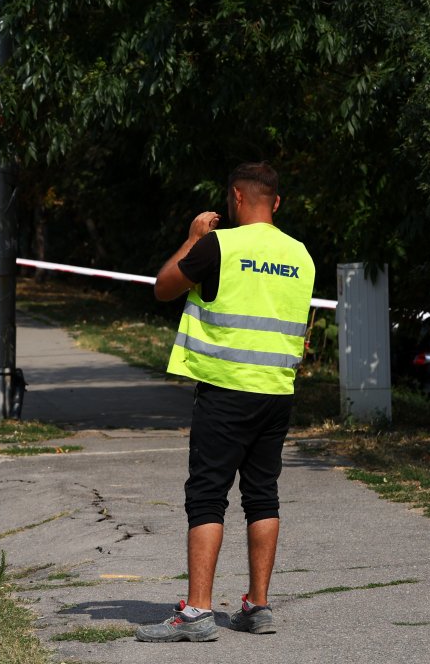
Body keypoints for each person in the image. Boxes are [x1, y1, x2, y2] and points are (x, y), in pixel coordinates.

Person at [135, 162, 316, 643]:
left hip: (224, 390)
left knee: (207, 497)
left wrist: (193, 237)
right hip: (276, 392)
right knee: (262, 496)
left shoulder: (220, 245)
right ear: (275, 202)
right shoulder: (301, 256)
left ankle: (197, 613)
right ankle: (257, 606)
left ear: (236, 198)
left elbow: (164, 286)